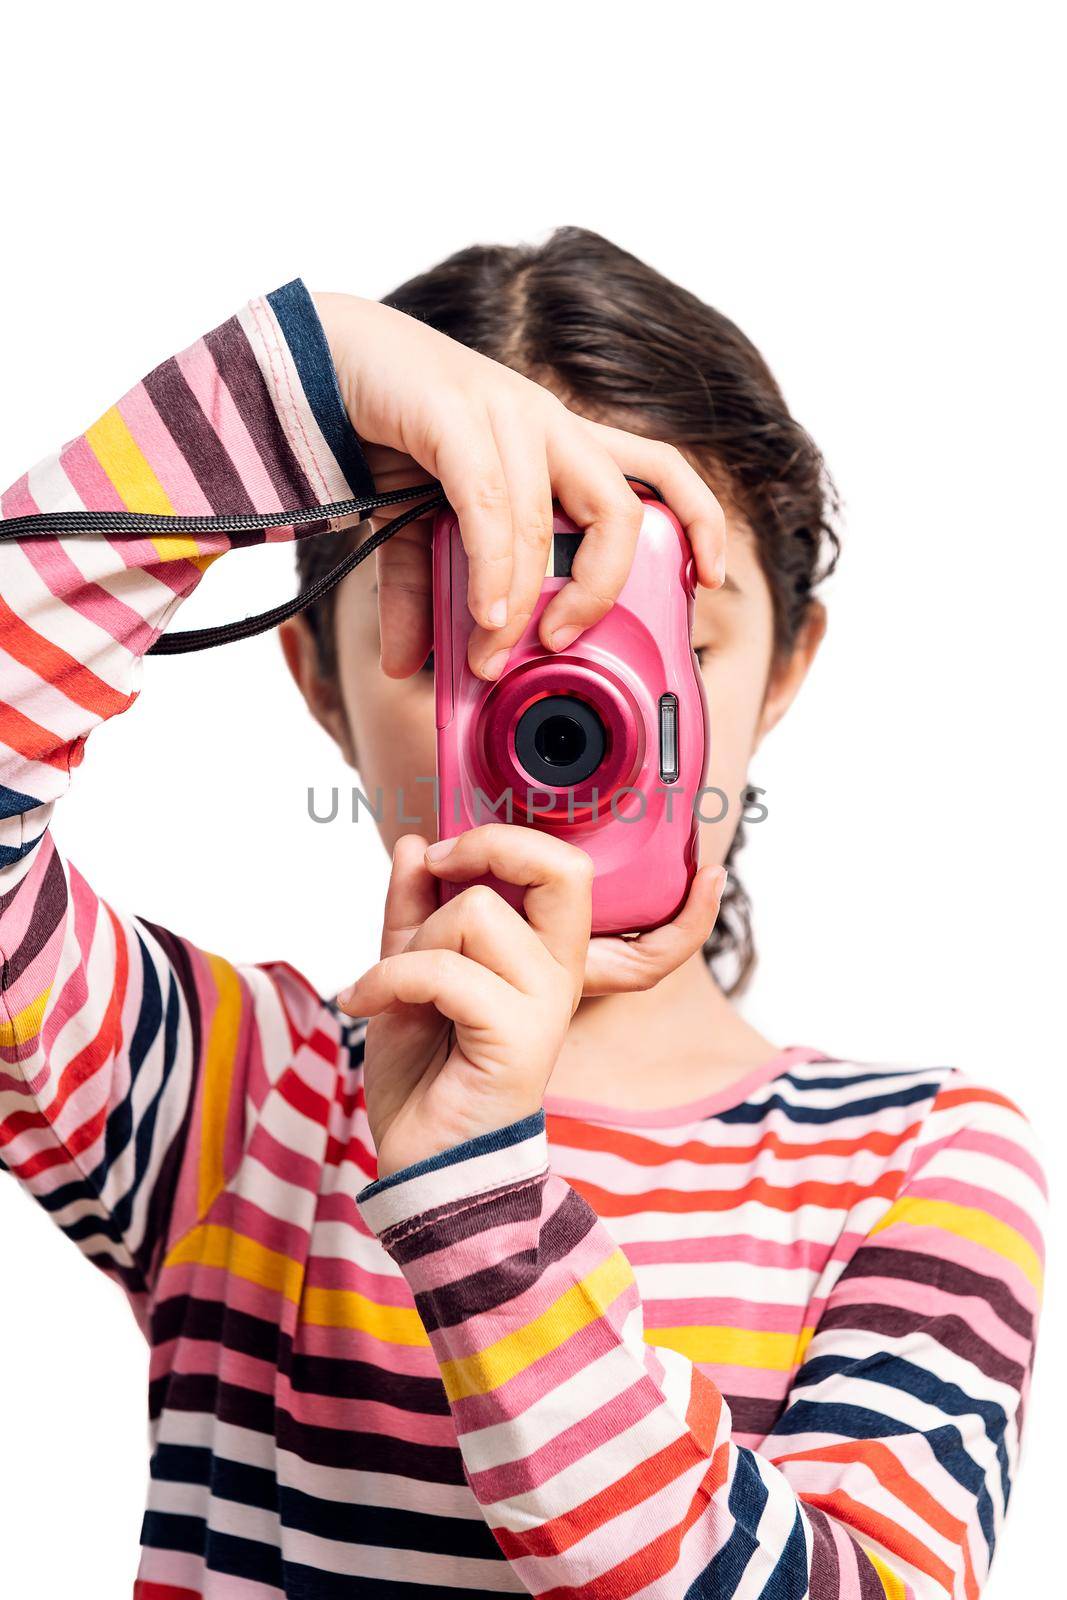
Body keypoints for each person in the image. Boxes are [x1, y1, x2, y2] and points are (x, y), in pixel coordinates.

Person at [0, 230, 1044, 1599]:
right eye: (463, 630)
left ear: (782, 669)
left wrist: (479, 1205)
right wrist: (290, 382)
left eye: (659, 642)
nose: (553, 708)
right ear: (318, 676)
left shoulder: (917, 1161)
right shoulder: (235, 1106)